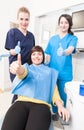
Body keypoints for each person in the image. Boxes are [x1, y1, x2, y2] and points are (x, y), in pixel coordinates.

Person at [1, 46, 70, 130]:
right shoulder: (27, 68)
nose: (36, 56)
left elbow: (54, 93)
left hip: (41, 105)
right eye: (34, 54)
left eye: (39, 54)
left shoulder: (50, 72)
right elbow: (22, 73)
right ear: (30, 57)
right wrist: (18, 69)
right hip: (21, 103)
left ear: (43, 56)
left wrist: (60, 106)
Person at [45, 14, 78, 112]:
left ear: (69, 24)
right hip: (53, 71)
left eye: (66, 23)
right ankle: (54, 113)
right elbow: (48, 55)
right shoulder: (52, 39)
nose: (63, 25)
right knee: (53, 94)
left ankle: (62, 114)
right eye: (61, 22)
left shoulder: (72, 38)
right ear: (59, 24)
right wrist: (45, 65)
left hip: (65, 73)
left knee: (63, 96)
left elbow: (71, 49)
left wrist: (64, 52)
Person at [5, 6, 35, 103]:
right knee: (19, 89)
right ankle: (14, 110)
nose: (24, 22)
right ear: (17, 19)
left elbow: (32, 52)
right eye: (21, 19)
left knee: (26, 91)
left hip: (28, 67)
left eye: (26, 19)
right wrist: (15, 51)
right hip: (16, 66)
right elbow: (10, 51)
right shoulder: (12, 32)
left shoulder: (31, 36)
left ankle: (19, 110)